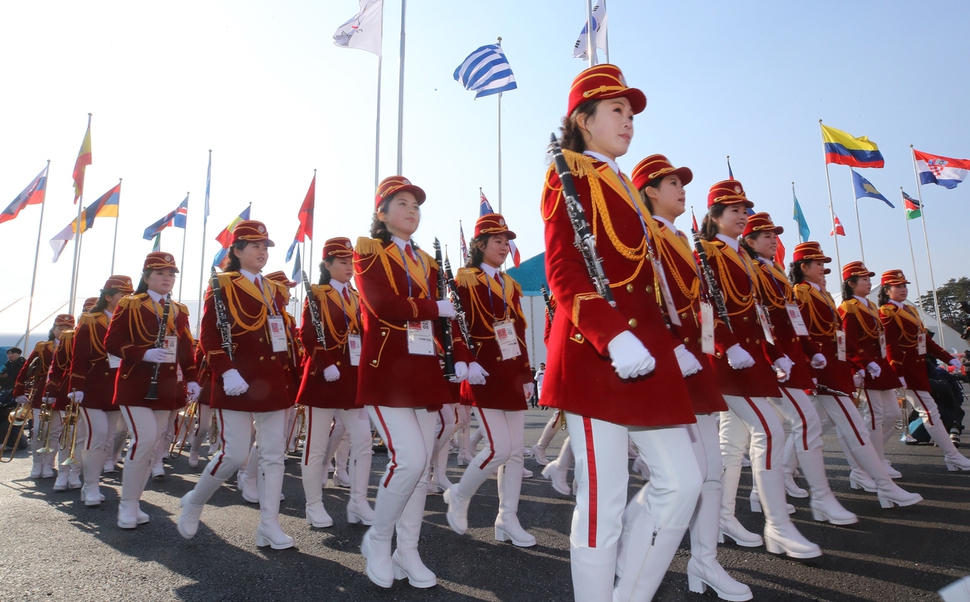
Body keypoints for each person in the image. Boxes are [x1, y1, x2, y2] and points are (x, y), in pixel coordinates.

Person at [541, 64, 701, 602]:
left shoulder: (629, 190)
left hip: (645, 352)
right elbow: (564, 268)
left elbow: (647, 283)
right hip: (595, 352)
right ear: (582, 119)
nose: (629, 122)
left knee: (683, 482)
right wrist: (611, 334)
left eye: (632, 114)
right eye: (617, 111)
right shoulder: (569, 171)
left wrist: (671, 343)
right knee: (602, 502)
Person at [629, 154, 751, 600]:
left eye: (683, 183)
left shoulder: (679, 237)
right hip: (668, 360)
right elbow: (645, 299)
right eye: (671, 183)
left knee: (709, 470)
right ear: (649, 191)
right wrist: (672, 346)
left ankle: (705, 563)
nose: (682, 189)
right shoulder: (644, 234)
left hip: (695, 360)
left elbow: (698, 304)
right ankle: (638, 534)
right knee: (688, 475)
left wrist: (711, 345)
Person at [354, 175, 469, 589]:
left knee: (420, 472)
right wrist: (431, 306)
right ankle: (378, 541)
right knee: (411, 460)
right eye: (401, 203)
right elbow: (381, 303)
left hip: (421, 371)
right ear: (382, 213)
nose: (412, 211)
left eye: (416, 205)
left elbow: (442, 324)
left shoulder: (428, 262)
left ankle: (409, 549)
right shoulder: (368, 252)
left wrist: (463, 358)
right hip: (387, 370)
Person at [699, 181, 821, 559]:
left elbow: (758, 318)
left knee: (733, 445)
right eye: (733, 210)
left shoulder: (744, 260)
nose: (742, 215)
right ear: (715, 216)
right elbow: (704, 305)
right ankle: (777, 525)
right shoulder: (706, 252)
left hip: (751, 359)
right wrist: (725, 345)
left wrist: (774, 353)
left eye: (744, 209)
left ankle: (722, 515)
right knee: (769, 430)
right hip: (728, 361)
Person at [177, 221, 298, 548]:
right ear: (237, 250)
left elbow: (279, 335)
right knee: (233, 455)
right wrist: (225, 371)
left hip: (271, 381)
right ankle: (194, 501)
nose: (262, 251)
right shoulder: (222, 284)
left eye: (265, 246)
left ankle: (269, 524)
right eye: (255, 245)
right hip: (238, 380)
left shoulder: (273, 290)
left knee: (274, 455)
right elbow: (212, 334)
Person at [740, 215, 859, 524]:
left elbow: (792, 319)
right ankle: (820, 497)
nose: (772, 239)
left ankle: (762, 494)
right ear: (750, 241)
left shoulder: (773, 271)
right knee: (801, 423)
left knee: (781, 430)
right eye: (764, 236)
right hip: (775, 358)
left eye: (774, 235)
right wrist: (775, 354)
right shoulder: (753, 270)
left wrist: (808, 352)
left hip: (789, 357)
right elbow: (760, 317)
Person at [789, 247, 923, 509]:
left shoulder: (825, 296)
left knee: (815, 427)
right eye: (819, 264)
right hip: (822, 370)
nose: (823, 270)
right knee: (841, 426)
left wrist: (862, 363)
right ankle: (875, 482)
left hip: (835, 368)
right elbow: (802, 334)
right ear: (804, 267)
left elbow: (839, 337)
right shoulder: (803, 295)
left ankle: (788, 474)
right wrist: (812, 366)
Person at [444, 213, 537, 548]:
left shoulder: (509, 283)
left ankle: (507, 518)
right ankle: (460, 493)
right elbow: (454, 325)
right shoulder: (466, 278)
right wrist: (465, 361)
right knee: (499, 448)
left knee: (515, 454)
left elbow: (520, 331)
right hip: (483, 371)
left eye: (505, 240)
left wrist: (526, 374)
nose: (503, 245)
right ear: (480, 244)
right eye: (496, 240)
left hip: (510, 371)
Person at [105, 253, 198, 529]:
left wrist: (192, 378)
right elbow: (112, 343)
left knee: (153, 442)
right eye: (160, 273)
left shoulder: (179, 309)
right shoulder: (131, 304)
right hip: (135, 384)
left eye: (171, 274)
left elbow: (185, 347)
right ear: (146, 278)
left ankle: (135, 500)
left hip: (165, 386)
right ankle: (127, 504)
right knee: (145, 440)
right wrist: (142, 354)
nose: (167, 278)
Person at [296, 237, 375, 529]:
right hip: (323, 379)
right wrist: (325, 363)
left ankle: (358, 502)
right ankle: (313, 505)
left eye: (350, 262)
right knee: (316, 447)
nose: (349, 267)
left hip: (352, 380)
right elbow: (307, 334)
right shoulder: (316, 294)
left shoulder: (357, 297)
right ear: (327, 265)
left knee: (364, 441)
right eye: (342, 262)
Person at [878, 269, 970, 471]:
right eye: (898, 286)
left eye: (904, 285)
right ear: (886, 290)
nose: (903, 289)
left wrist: (948, 359)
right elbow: (891, 347)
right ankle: (952, 456)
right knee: (928, 413)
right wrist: (899, 375)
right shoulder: (886, 312)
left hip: (918, 371)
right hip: (907, 373)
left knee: (922, 414)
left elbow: (926, 342)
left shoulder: (910, 311)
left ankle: (871, 458)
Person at [69, 275, 133, 505]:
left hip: (116, 387)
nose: (127, 299)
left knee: (106, 438)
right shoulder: (91, 320)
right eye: (123, 295)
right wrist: (76, 386)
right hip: (93, 388)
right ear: (108, 297)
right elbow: (79, 357)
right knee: (96, 435)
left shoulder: (130, 322)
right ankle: (89, 485)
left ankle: (88, 478)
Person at [839, 261, 906, 479]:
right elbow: (848, 342)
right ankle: (874, 461)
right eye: (864, 279)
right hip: (865, 367)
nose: (869, 283)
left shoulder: (869, 307)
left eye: (869, 279)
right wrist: (858, 366)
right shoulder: (848, 308)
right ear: (851, 283)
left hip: (879, 366)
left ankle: (871, 456)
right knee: (875, 416)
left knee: (893, 414)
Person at [13, 316, 73, 479]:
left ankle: (48, 464)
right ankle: (36, 464)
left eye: (68, 328)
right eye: (60, 327)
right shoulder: (42, 347)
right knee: (39, 429)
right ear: (53, 329)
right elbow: (25, 369)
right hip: (41, 393)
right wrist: (19, 391)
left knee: (55, 431)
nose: (63, 331)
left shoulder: (75, 348)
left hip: (62, 394)